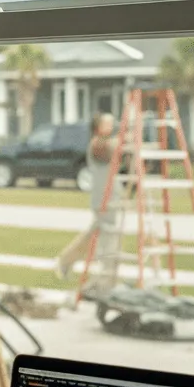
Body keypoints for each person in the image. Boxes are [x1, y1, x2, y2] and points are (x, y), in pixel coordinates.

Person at [55, 112, 120, 285]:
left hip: (111, 198)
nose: (112, 126)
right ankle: (106, 277)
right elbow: (110, 148)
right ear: (98, 126)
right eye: (108, 123)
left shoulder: (109, 143)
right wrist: (127, 140)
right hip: (103, 200)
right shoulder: (97, 145)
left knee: (92, 236)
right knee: (108, 237)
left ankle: (65, 261)